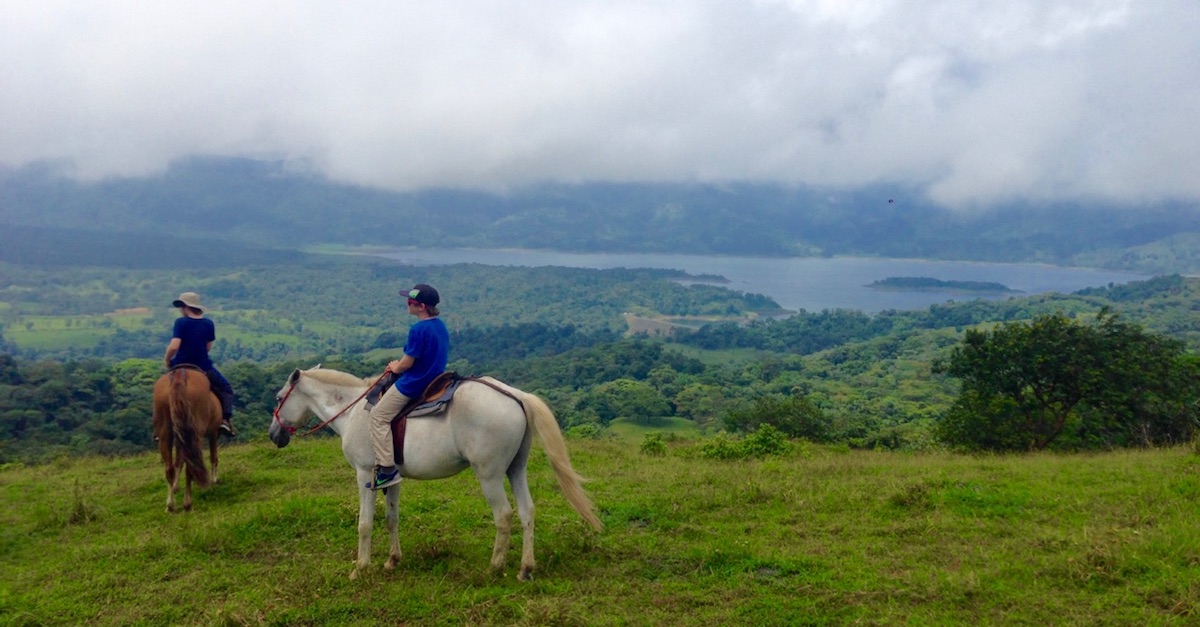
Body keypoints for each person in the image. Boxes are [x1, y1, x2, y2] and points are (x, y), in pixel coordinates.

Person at [368, 284, 450, 490]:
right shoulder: (439, 325)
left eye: (410, 302)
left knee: (378, 416)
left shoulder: (418, 329)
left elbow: (406, 364)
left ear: (421, 306)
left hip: (415, 382)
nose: (407, 304)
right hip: (435, 378)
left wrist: (395, 366)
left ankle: (387, 469)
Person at [163, 292, 237, 436]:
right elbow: (208, 347)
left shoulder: (180, 322)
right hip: (203, 366)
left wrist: (167, 360)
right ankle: (225, 421)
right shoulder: (208, 324)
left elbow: (174, 346)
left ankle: (160, 428)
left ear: (185, 307)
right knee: (226, 389)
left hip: (180, 365)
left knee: (163, 391)